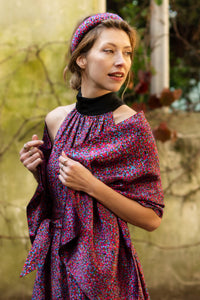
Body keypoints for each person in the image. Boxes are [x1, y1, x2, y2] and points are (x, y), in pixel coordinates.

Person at [19, 12, 164, 300]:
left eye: (127, 53)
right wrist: (38, 169)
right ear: (81, 59)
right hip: (56, 263)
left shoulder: (132, 128)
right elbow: (59, 200)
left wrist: (92, 185)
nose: (121, 62)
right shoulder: (55, 120)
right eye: (109, 51)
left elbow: (151, 218)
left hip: (106, 270)